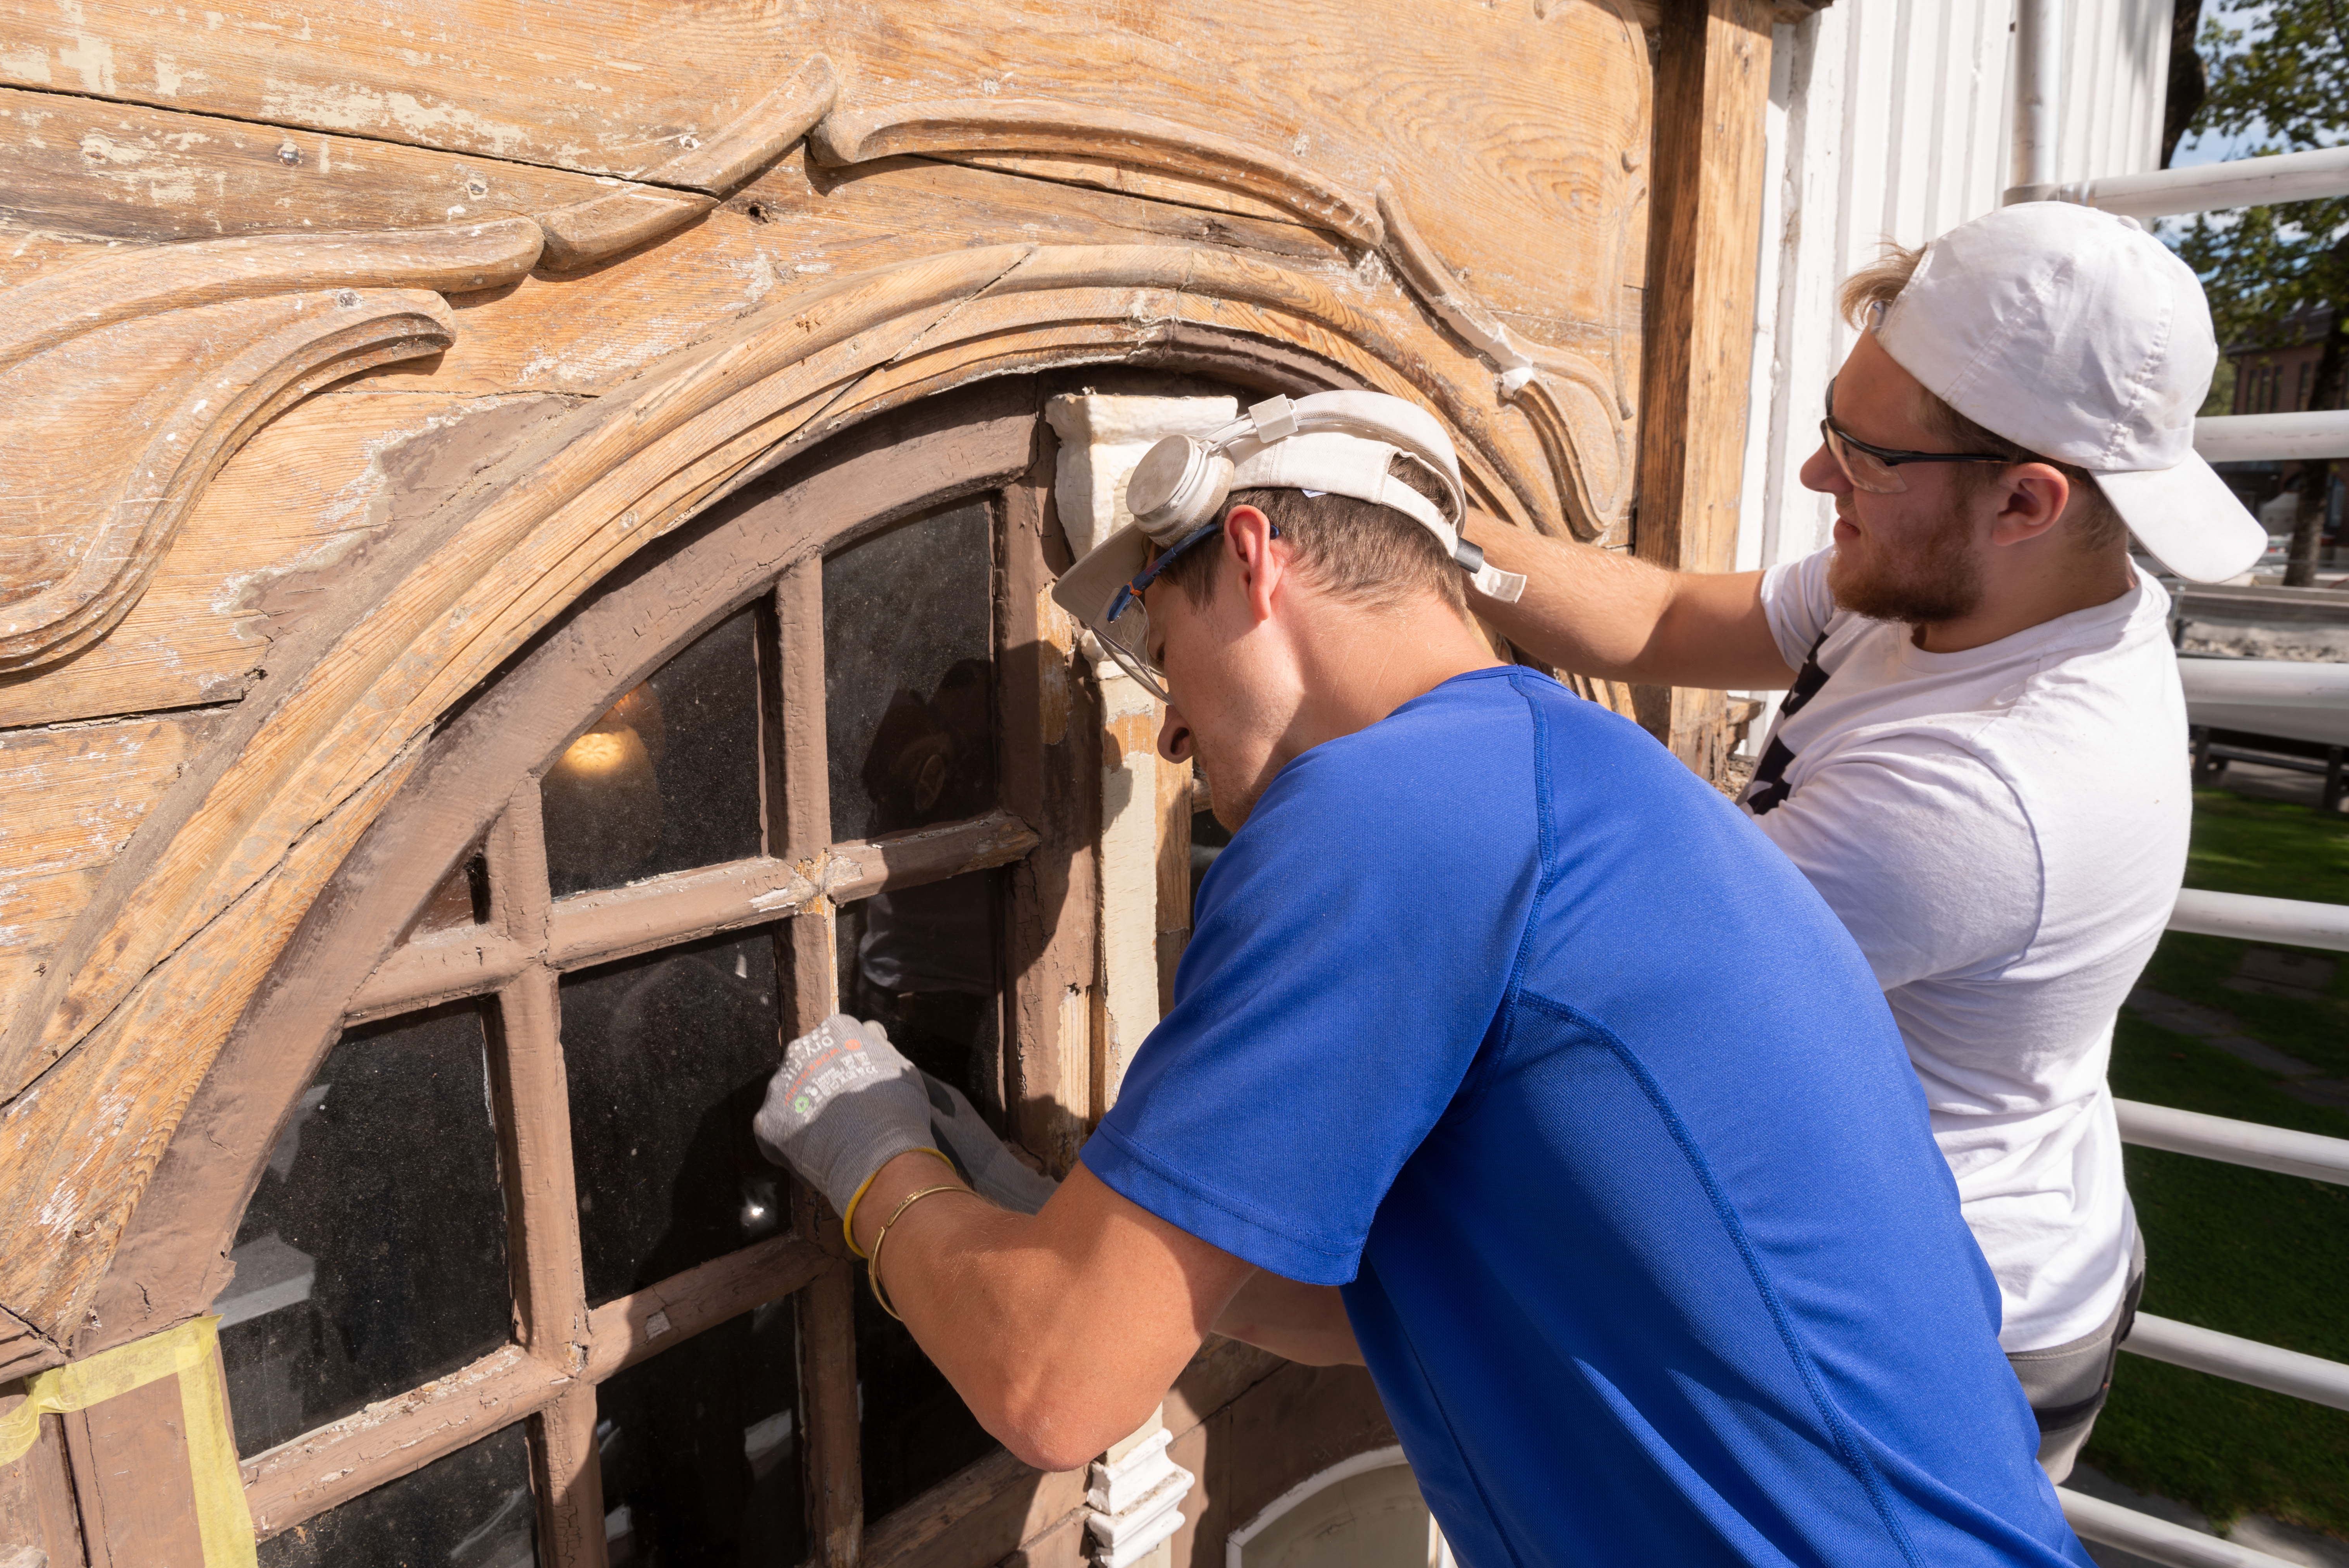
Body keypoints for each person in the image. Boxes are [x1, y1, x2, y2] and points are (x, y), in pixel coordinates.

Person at [756, 390, 2090, 1566]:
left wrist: (875, 1163)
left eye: (1163, 650)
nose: (1163, 725)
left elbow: (1051, 1388)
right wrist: (1035, 1227)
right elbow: (1383, 1306)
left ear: (1250, 555)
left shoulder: (1386, 811)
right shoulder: (1575, 770)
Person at [1467, 202, 2270, 1480]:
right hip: (1921, 1232)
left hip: (1948, 1333)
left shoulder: (1989, 795)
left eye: (1864, 451)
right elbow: (1670, 617)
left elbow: (1578, 981)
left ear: (2025, 498)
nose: (1817, 477)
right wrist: (1423, 525)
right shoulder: (1965, 586)